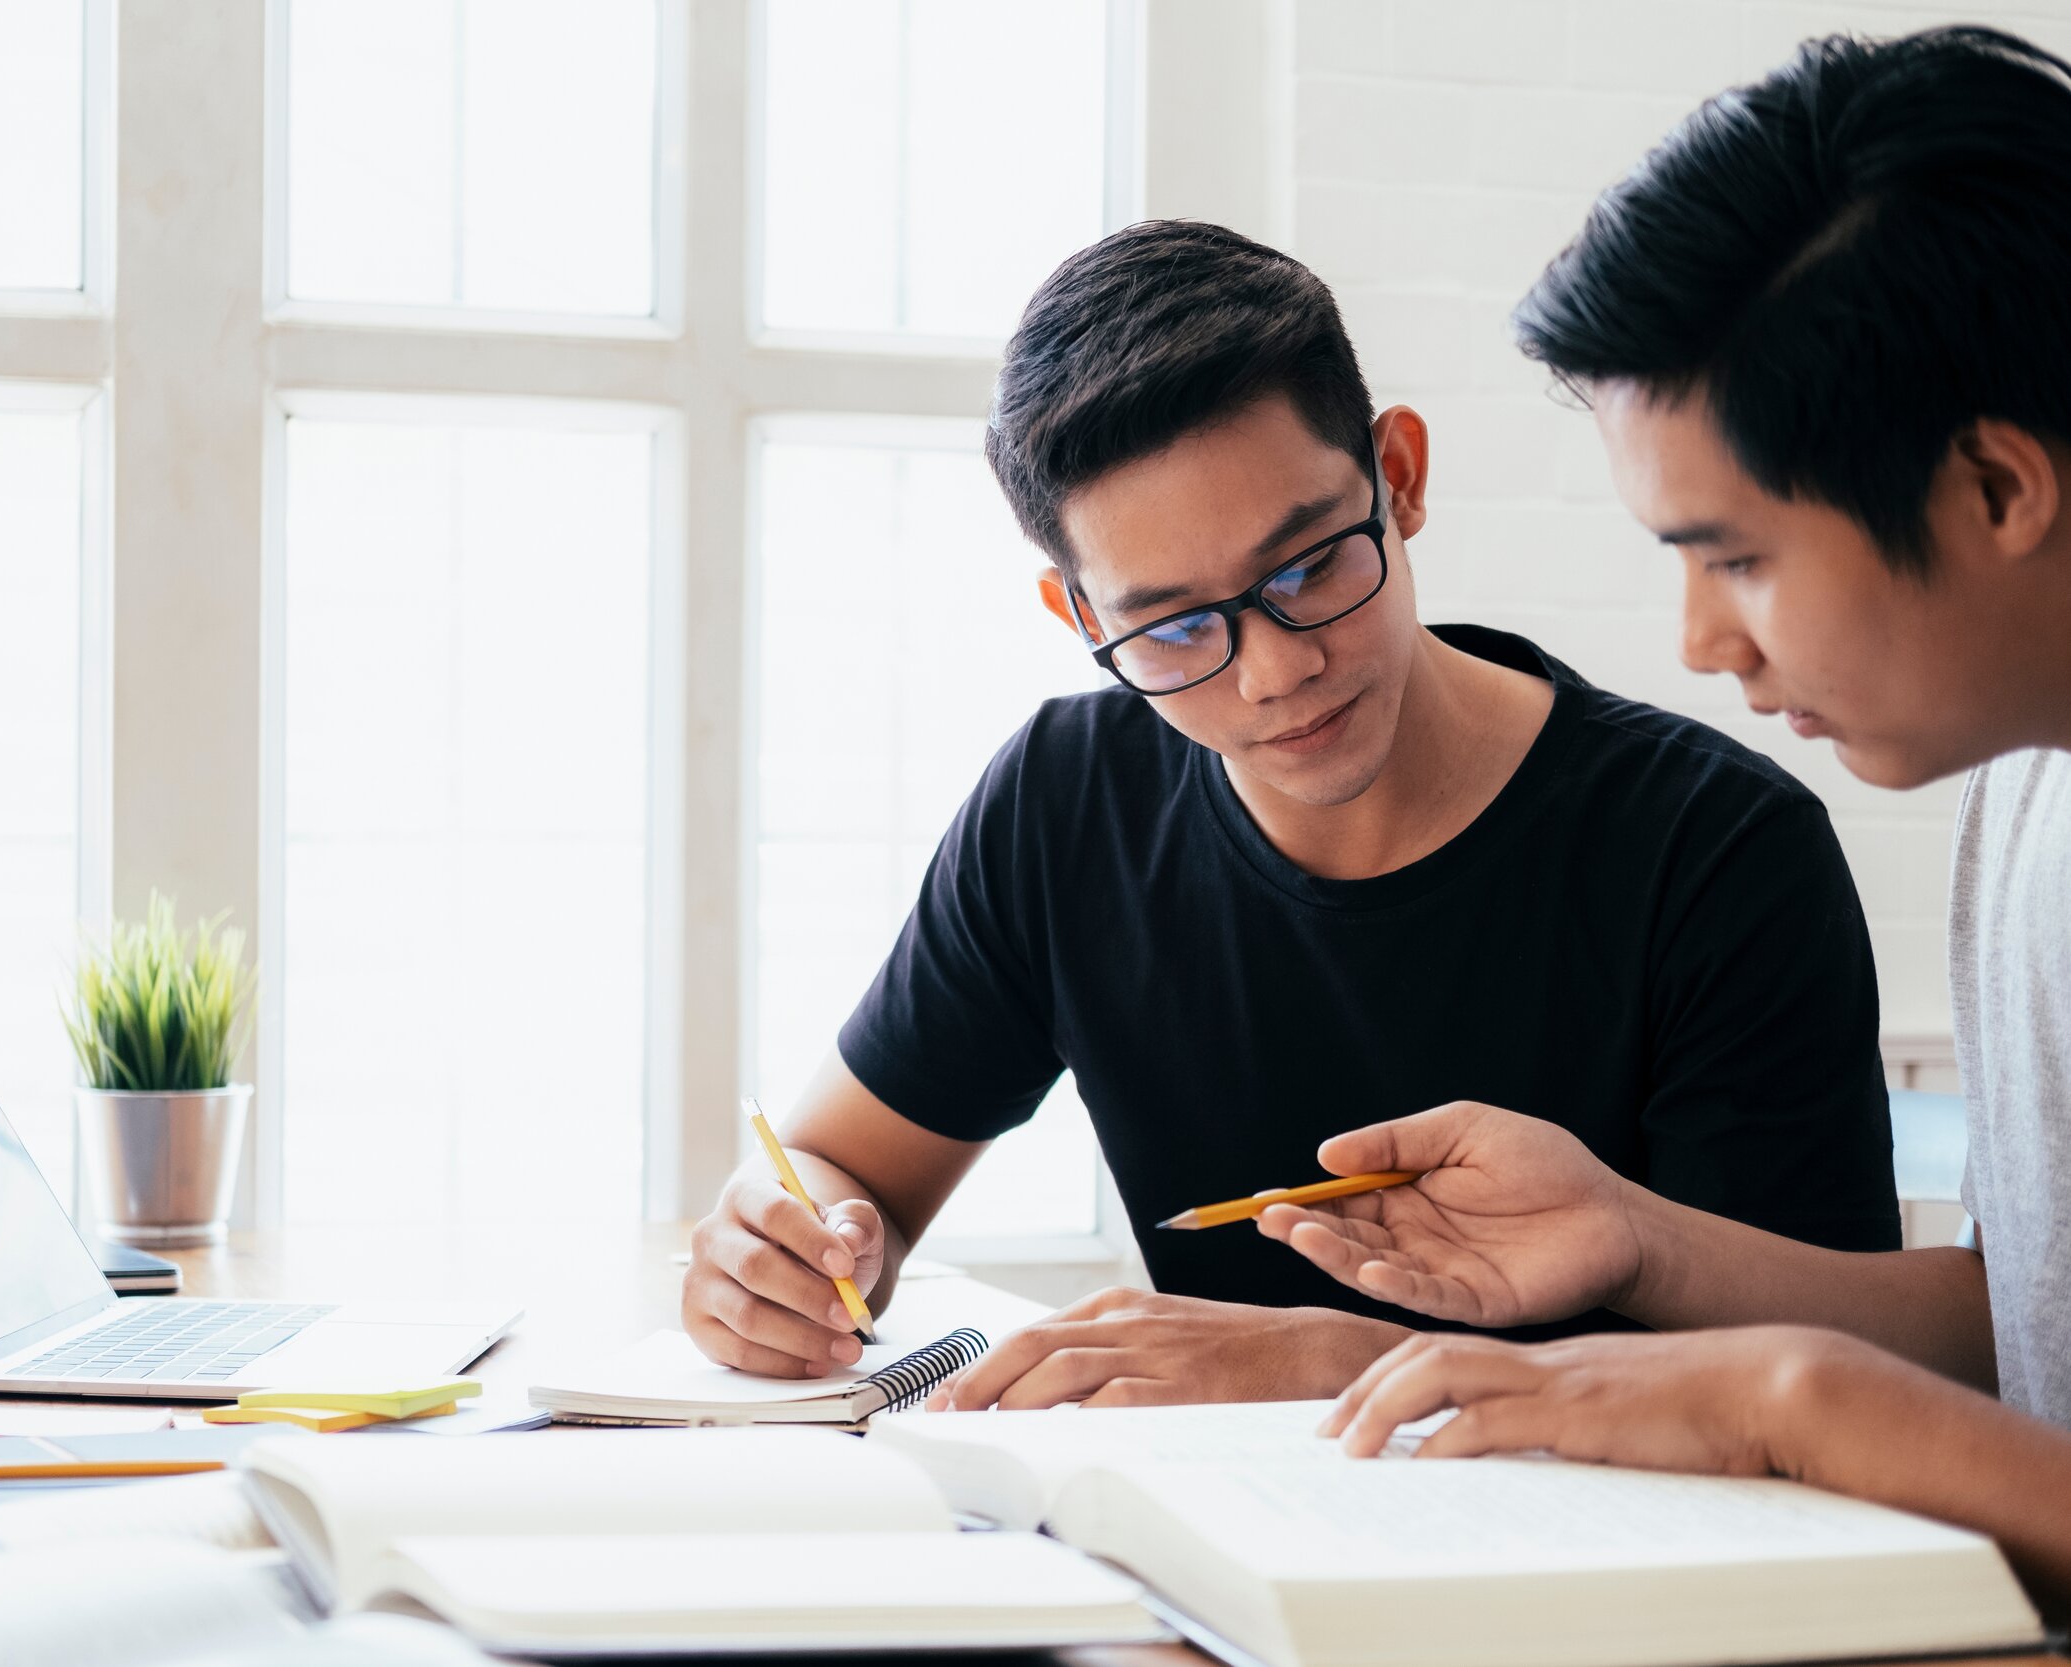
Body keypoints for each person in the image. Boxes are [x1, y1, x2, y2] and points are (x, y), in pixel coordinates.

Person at [682, 220, 1904, 1409]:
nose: (1271, 672)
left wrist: (1338, 1364)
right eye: (1168, 630)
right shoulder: (1063, 804)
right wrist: (792, 1249)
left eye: (1309, 568)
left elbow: (1833, 1383)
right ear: (1080, 618)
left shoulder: (1716, 848)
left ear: (1400, 479)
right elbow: (853, 1171)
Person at [1253, 26, 2071, 1613]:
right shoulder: (2026, 777)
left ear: (1994, 486)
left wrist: (1789, 1403)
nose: (1704, 641)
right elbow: (2032, 1327)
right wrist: (1639, 1244)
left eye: (1740, 555)